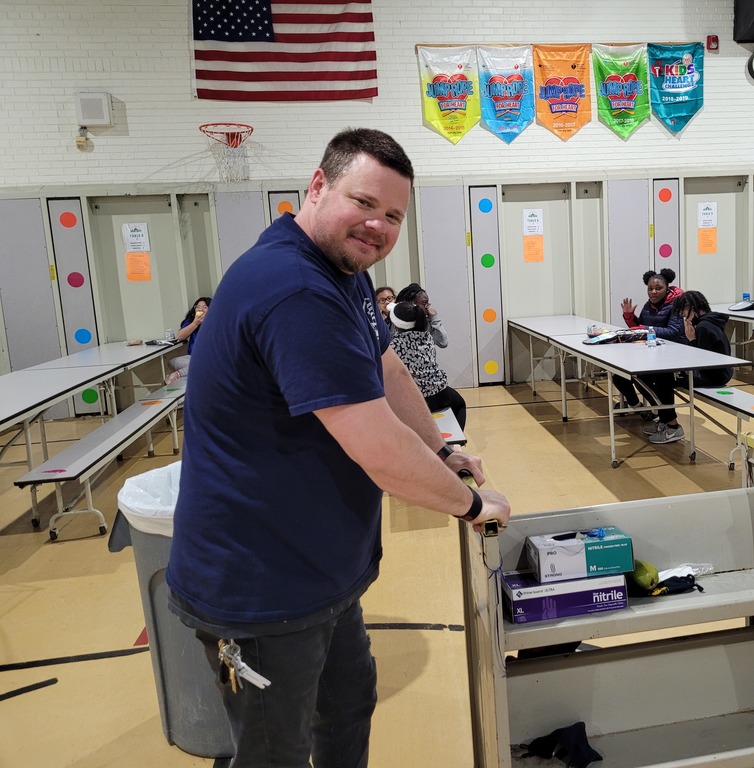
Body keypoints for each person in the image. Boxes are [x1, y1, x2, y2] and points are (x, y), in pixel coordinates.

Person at [165, 129, 510, 768]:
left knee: (348, 703)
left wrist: (442, 451)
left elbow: (385, 368)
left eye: (394, 215)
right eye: (364, 202)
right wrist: (469, 504)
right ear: (317, 187)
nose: (377, 225)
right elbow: (377, 449)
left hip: (318, 569)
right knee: (275, 751)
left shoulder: (342, 270)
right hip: (261, 586)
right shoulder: (294, 288)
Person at [641, 291, 734, 444]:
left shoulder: (704, 327)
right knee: (659, 374)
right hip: (715, 371)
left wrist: (691, 340)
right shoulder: (709, 321)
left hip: (714, 375)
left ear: (692, 308)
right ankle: (664, 420)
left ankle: (672, 426)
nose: (683, 315)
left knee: (664, 377)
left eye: (684, 311)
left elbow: (700, 361)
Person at [613, 268, 684, 422]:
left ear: (667, 288)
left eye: (658, 288)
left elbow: (673, 332)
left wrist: (644, 329)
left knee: (640, 375)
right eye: (650, 289)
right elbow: (639, 327)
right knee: (619, 376)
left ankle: (658, 408)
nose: (653, 292)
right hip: (650, 353)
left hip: (671, 356)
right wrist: (629, 316)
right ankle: (638, 407)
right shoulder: (648, 306)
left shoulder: (676, 305)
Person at [389, 300, 467, 429]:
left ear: (396, 323)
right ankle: (456, 443)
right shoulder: (427, 337)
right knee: (460, 404)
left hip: (416, 397)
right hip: (440, 392)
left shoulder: (394, 344)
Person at [165, 296, 210, 384]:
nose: (201, 309)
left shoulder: (216, 322)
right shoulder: (191, 321)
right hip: (191, 358)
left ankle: (178, 374)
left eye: (205, 307)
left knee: (206, 364)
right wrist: (195, 323)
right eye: (198, 306)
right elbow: (180, 336)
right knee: (173, 362)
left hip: (209, 359)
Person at [395, 282, 448, 347]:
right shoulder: (397, 322)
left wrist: (435, 318)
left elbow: (443, 342)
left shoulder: (425, 323)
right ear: (412, 303)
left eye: (427, 303)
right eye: (424, 303)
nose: (427, 307)